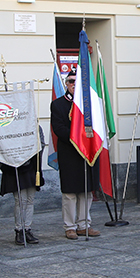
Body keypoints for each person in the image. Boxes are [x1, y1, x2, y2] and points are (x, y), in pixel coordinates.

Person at [51, 73, 101, 240]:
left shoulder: (90, 104)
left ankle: (84, 224)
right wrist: (78, 138)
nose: (74, 84)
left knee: (86, 192)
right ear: (66, 84)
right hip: (70, 153)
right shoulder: (58, 105)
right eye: (71, 81)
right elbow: (59, 128)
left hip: (87, 153)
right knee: (70, 193)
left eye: (77, 81)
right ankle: (70, 226)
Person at [0, 126, 44, 245]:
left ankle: (27, 229)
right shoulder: (10, 126)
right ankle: (19, 230)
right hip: (15, 169)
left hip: (31, 167)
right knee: (20, 200)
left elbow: (42, 144)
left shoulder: (35, 125)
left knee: (30, 200)